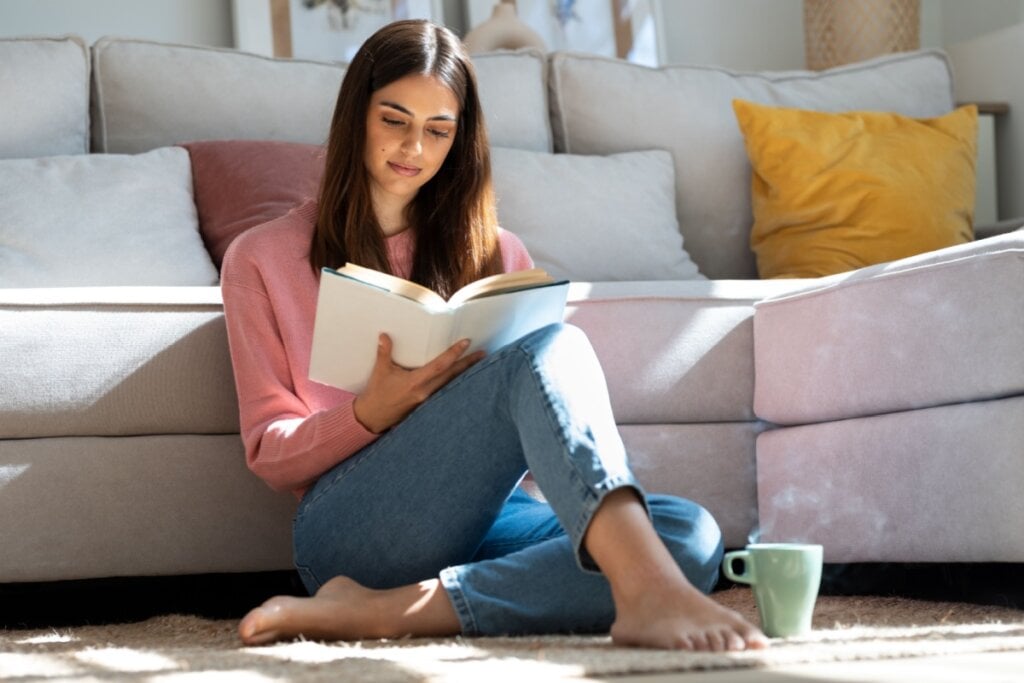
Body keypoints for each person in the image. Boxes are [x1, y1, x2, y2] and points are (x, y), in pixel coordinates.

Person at [220, 18, 767, 652]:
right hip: (353, 525)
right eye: (394, 120)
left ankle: (391, 612)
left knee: (687, 536)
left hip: (495, 518)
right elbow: (268, 449)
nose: (414, 148)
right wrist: (372, 412)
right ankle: (639, 592)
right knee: (559, 354)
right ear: (355, 117)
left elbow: (535, 430)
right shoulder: (261, 256)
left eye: (438, 130)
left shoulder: (498, 253)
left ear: (460, 139)